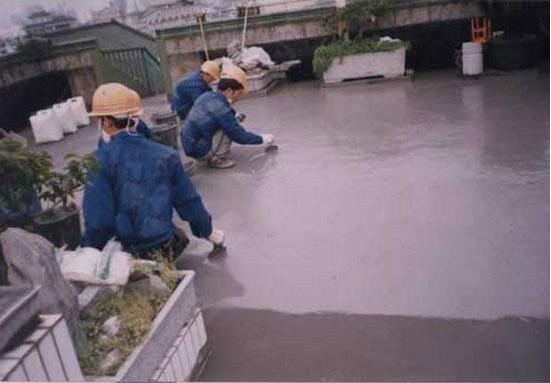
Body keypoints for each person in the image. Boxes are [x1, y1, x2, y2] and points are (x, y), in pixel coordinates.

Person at [81, 82, 224, 257]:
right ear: (135, 118)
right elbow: (189, 203)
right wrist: (207, 232)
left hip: (126, 255)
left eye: (100, 120)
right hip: (165, 247)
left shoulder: (98, 161)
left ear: (107, 121)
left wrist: (89, 252)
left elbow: (98, 222)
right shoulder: (166, 155)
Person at [181, 64, 275, 169]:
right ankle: (216, 158)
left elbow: (220, 108)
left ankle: (211, 151)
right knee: (228, 129)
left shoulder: (207, 95)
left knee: (227, 122)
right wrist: (262, 139)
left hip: (190, 143)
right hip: (198, 150)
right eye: (238, 94)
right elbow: (240, 136)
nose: (238, 98)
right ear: (229, 91)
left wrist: (234, 113)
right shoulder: (222, 111)